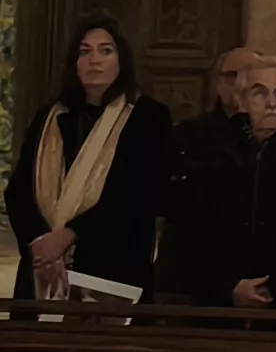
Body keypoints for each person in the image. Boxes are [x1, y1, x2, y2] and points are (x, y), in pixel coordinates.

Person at [7, 17, 175, 298]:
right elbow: (19, 189)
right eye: (85, 52)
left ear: (122, 59)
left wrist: (70, 234)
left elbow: (136, 192)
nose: (94, 60)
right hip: (42, 267)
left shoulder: (148, 117)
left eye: (105, 50)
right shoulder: (51, 116)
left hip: (111, 267)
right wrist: (38, 242)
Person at [161, 56, 276, 311]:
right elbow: (191, 229)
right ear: (242, 100)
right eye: (259, 93)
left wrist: (272, 285)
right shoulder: (208, 152)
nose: (272, 103)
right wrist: (230, 286)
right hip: (215, 303)